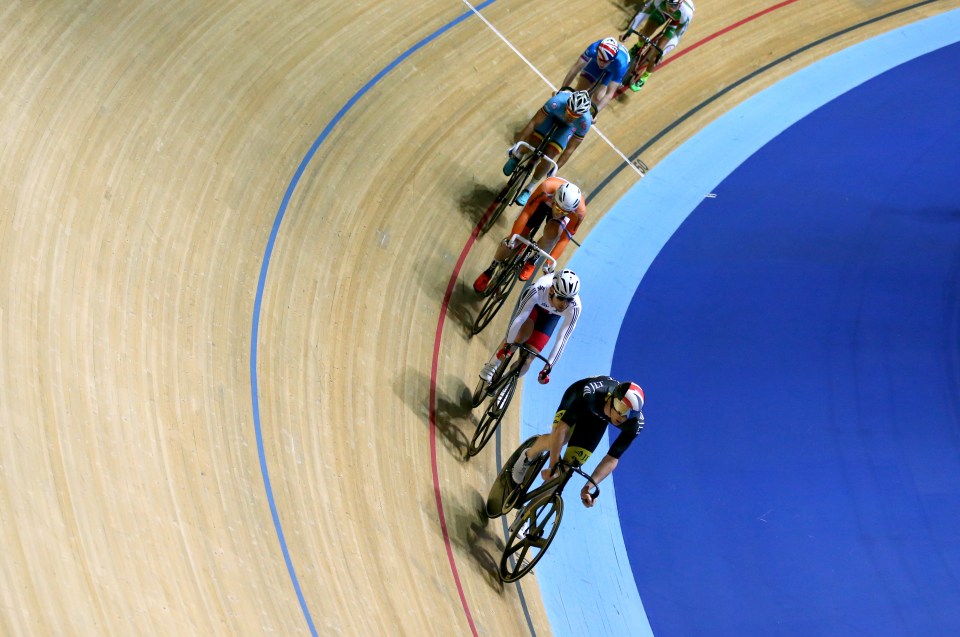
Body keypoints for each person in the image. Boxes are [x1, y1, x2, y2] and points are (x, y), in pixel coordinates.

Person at [509, 376, 645, 508]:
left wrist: (588, 487)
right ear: (614, 398)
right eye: (622, 409)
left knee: (567, 468)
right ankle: (528, 456)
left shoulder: (634, 424)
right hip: (577, 397)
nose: (624, 417)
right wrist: (553, 466)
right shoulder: (592, 393)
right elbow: (562, 428)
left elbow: (612, 459)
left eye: (630, 414)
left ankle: (525, 515)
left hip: (598, 421)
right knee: (560, 439)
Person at [473, 177, 585, 291]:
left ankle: (533, 259)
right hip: (543, 203)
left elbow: (564, 240)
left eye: (563, 211)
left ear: (571, 211)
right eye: (557, 207)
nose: (557, 212)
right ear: (555, 197)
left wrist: (549, 262)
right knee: (516, 238)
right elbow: (526, 213)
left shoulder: (579, 213)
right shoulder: (546, 188)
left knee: (553, 234)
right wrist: (513, 237)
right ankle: (491, 269)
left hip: (558, 212)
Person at [477, 270, 582, 387]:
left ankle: (506, 385)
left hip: (550, 318)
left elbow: (562, 340)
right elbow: (519, 319)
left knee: (527, 360)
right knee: (521, 336)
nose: (564, 304)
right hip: (533, 307)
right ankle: (492, 364)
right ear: (552, 291)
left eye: (569, 300)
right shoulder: (539, 289)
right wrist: (507, 346)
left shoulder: (575, 307)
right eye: (561, 298)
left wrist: (548, 367)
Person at [503, 90, 592, 206]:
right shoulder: (557, 102)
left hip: (567, 129)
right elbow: (534, 123)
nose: (570, 117)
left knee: (549, 155)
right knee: (533, 141)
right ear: (567, 105)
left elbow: (570, 149)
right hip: (552, 116)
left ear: (581, 115)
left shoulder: (584, 123)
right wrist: (517, 145)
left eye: (575, 116)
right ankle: (518, 156)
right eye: (569, 113)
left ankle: (529, 188)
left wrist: (555, 169)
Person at [620, 0, 694, 91]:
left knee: (657, 53)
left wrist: (662, 53)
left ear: (680, 5)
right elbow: (643, 14)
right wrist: (628, 32)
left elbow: (677, 37)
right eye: (670, 4)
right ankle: (639, 45)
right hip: (661, 12)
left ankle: (645, 76)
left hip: (677, 23)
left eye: (675, 6)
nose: (671, 8)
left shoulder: (686, 14)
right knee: (644, 34)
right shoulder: (658, 1)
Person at [559, 37, 630, 113]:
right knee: (579, 90)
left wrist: (594, 113)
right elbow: (575, 69)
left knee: (598, 98)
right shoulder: (593, 49)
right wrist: (561, 90)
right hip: (595, 63)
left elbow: (609, 94)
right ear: (597, 54)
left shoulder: (621, 65)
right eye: (601, 60)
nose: (602, 64)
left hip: (612, 70)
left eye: (606, 61)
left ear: (612, 59)